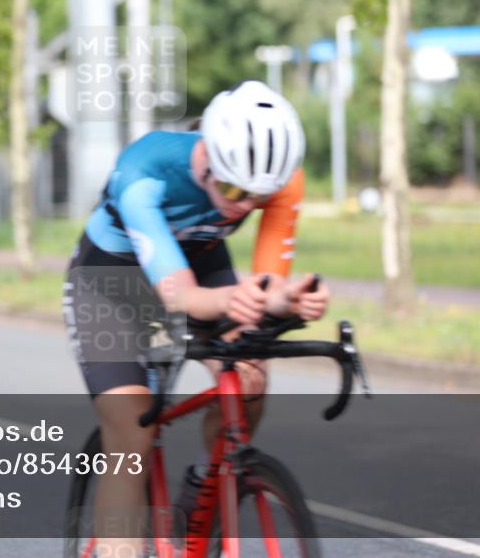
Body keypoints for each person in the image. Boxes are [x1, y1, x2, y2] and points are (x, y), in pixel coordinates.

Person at [63, 80, 330, 555]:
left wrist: (288, 297)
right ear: (207, 160)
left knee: (248, 376)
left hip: (200, 260)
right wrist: (234, 301)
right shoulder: (144, 172)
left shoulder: (281, 179)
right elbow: (181, 296)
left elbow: (263, 289)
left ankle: (210, 487)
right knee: (132, 428)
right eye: (232, 188)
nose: (244, 205)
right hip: (112, 281)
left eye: (258, 196)